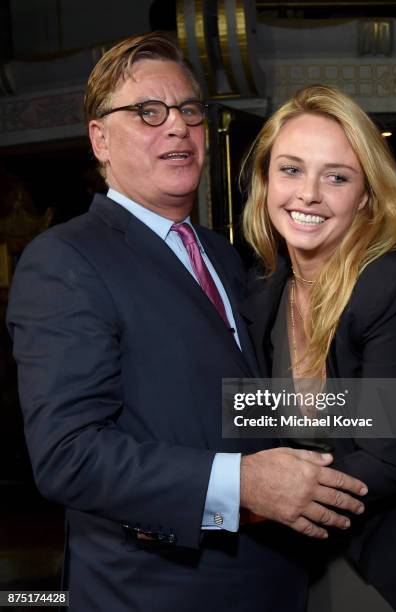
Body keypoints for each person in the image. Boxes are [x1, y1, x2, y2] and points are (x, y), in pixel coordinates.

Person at [6, 35, 368, 612]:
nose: (176, 126)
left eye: (189, 110)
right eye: (148, 111)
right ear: (99, 138)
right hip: (156, 589)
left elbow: (251, 404)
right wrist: (240, 484)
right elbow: (68, 455)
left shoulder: (222, 256)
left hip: (272, 578)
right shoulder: (66, 260)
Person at [241, 84, 396, 612]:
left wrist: (247, 500)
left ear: (366, 194)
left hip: (395, 560)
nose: (308, 194)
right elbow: (254, 413)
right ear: (265, 180)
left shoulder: (389, 284)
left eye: (337, 177)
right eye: (291, 169)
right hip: (297, 559)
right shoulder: (260, 293)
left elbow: (388, 464)